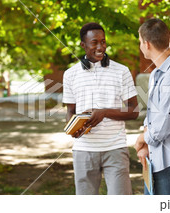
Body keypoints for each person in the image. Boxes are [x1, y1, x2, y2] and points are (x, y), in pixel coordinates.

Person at [62, 22, 139, 195]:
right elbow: (70, 112)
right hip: (84, 150)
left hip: (115, 148)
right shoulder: (70, 74)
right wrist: (72, 128)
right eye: (94, 42)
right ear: (83, 45)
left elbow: (134, 111)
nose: (100, 47)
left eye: (103, 42)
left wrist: (104, 113)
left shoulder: (122, 71)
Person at [134, 18, 170, 195]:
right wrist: (145, 146)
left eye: (140, 42)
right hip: (155, 160)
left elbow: (163, 126)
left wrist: (142, 139)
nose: (140, 46)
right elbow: (151, 115)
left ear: (147, 44)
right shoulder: (156, 74)